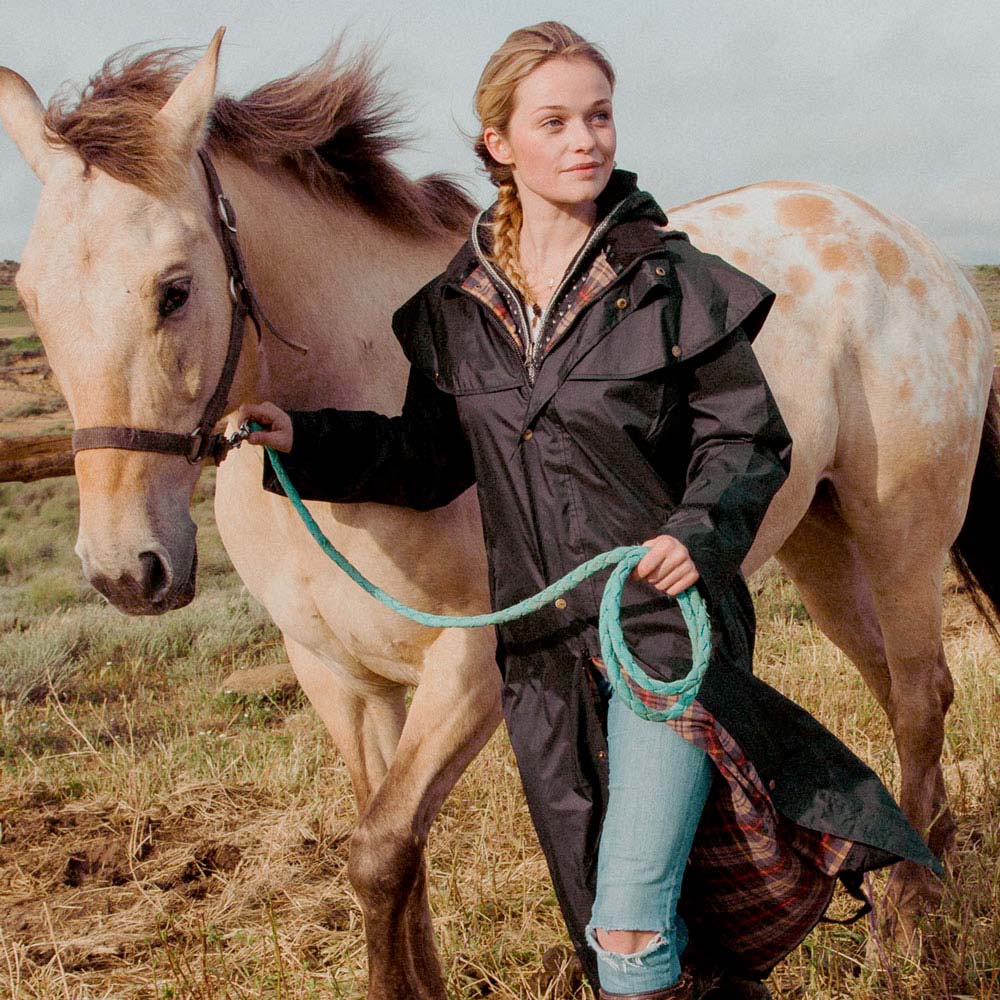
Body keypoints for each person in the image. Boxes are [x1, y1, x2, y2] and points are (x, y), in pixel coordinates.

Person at [237, 22, 939, 1000]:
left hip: (659, 631)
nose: (586, 140)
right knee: (632, 925)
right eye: (555, 120)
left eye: (599, 115)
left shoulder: (669, 279)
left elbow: (749, 439)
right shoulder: (462, 306)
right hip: (542, 663)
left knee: (627, 926)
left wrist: (697, 532)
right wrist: (307, 441)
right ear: (496, 144)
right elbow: (433, 457)